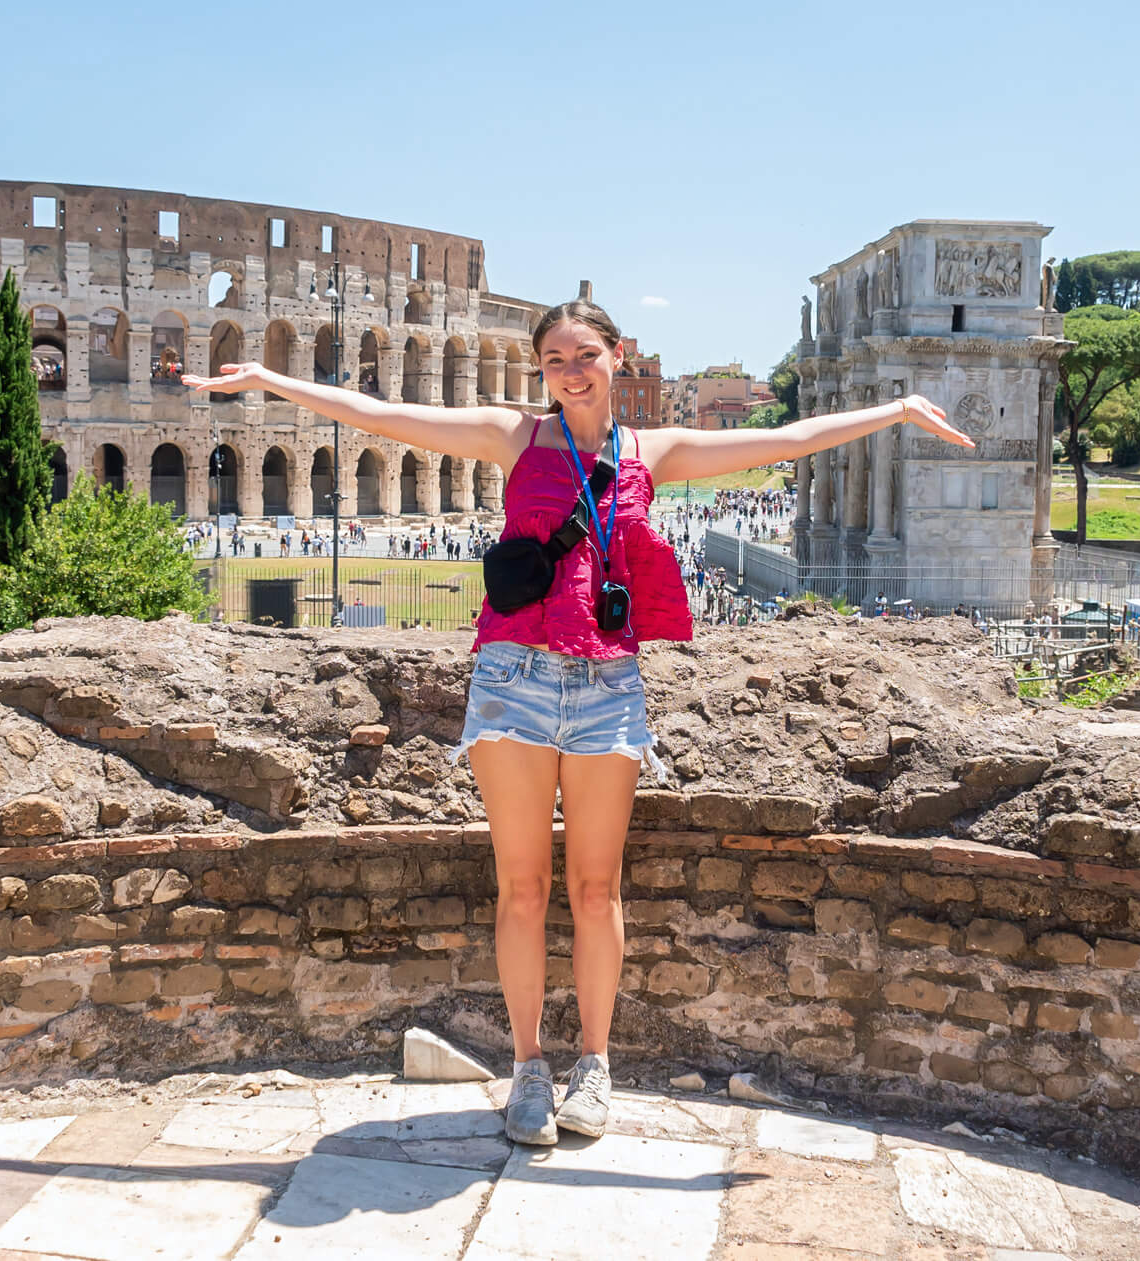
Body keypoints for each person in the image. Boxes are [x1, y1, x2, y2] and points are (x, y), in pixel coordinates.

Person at [183, 297, 973, 1146]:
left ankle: (594, 1066)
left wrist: (891, 409)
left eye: (584, 354)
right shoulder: (513, 436)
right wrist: (270, 378)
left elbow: (784, 442)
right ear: (541, 369)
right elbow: (380, 413)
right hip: (515, 675)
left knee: (597, 892)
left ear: (615, 354)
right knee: (522, 889)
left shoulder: (651, 450)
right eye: (554, 360)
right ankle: (528, 1069)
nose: (570, 371)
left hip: (609, 687)